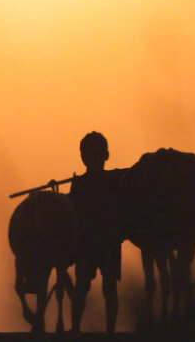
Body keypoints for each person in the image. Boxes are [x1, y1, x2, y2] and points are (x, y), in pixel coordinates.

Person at [68, 131, 126, 332]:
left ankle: (93, 329)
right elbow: (71, 211)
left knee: (101, 287)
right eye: (88, 153)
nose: (91, 158)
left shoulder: (116, 179)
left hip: (101, 242)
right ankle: (80, 328)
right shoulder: (114, 180)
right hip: (94, 242)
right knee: (88, 287)